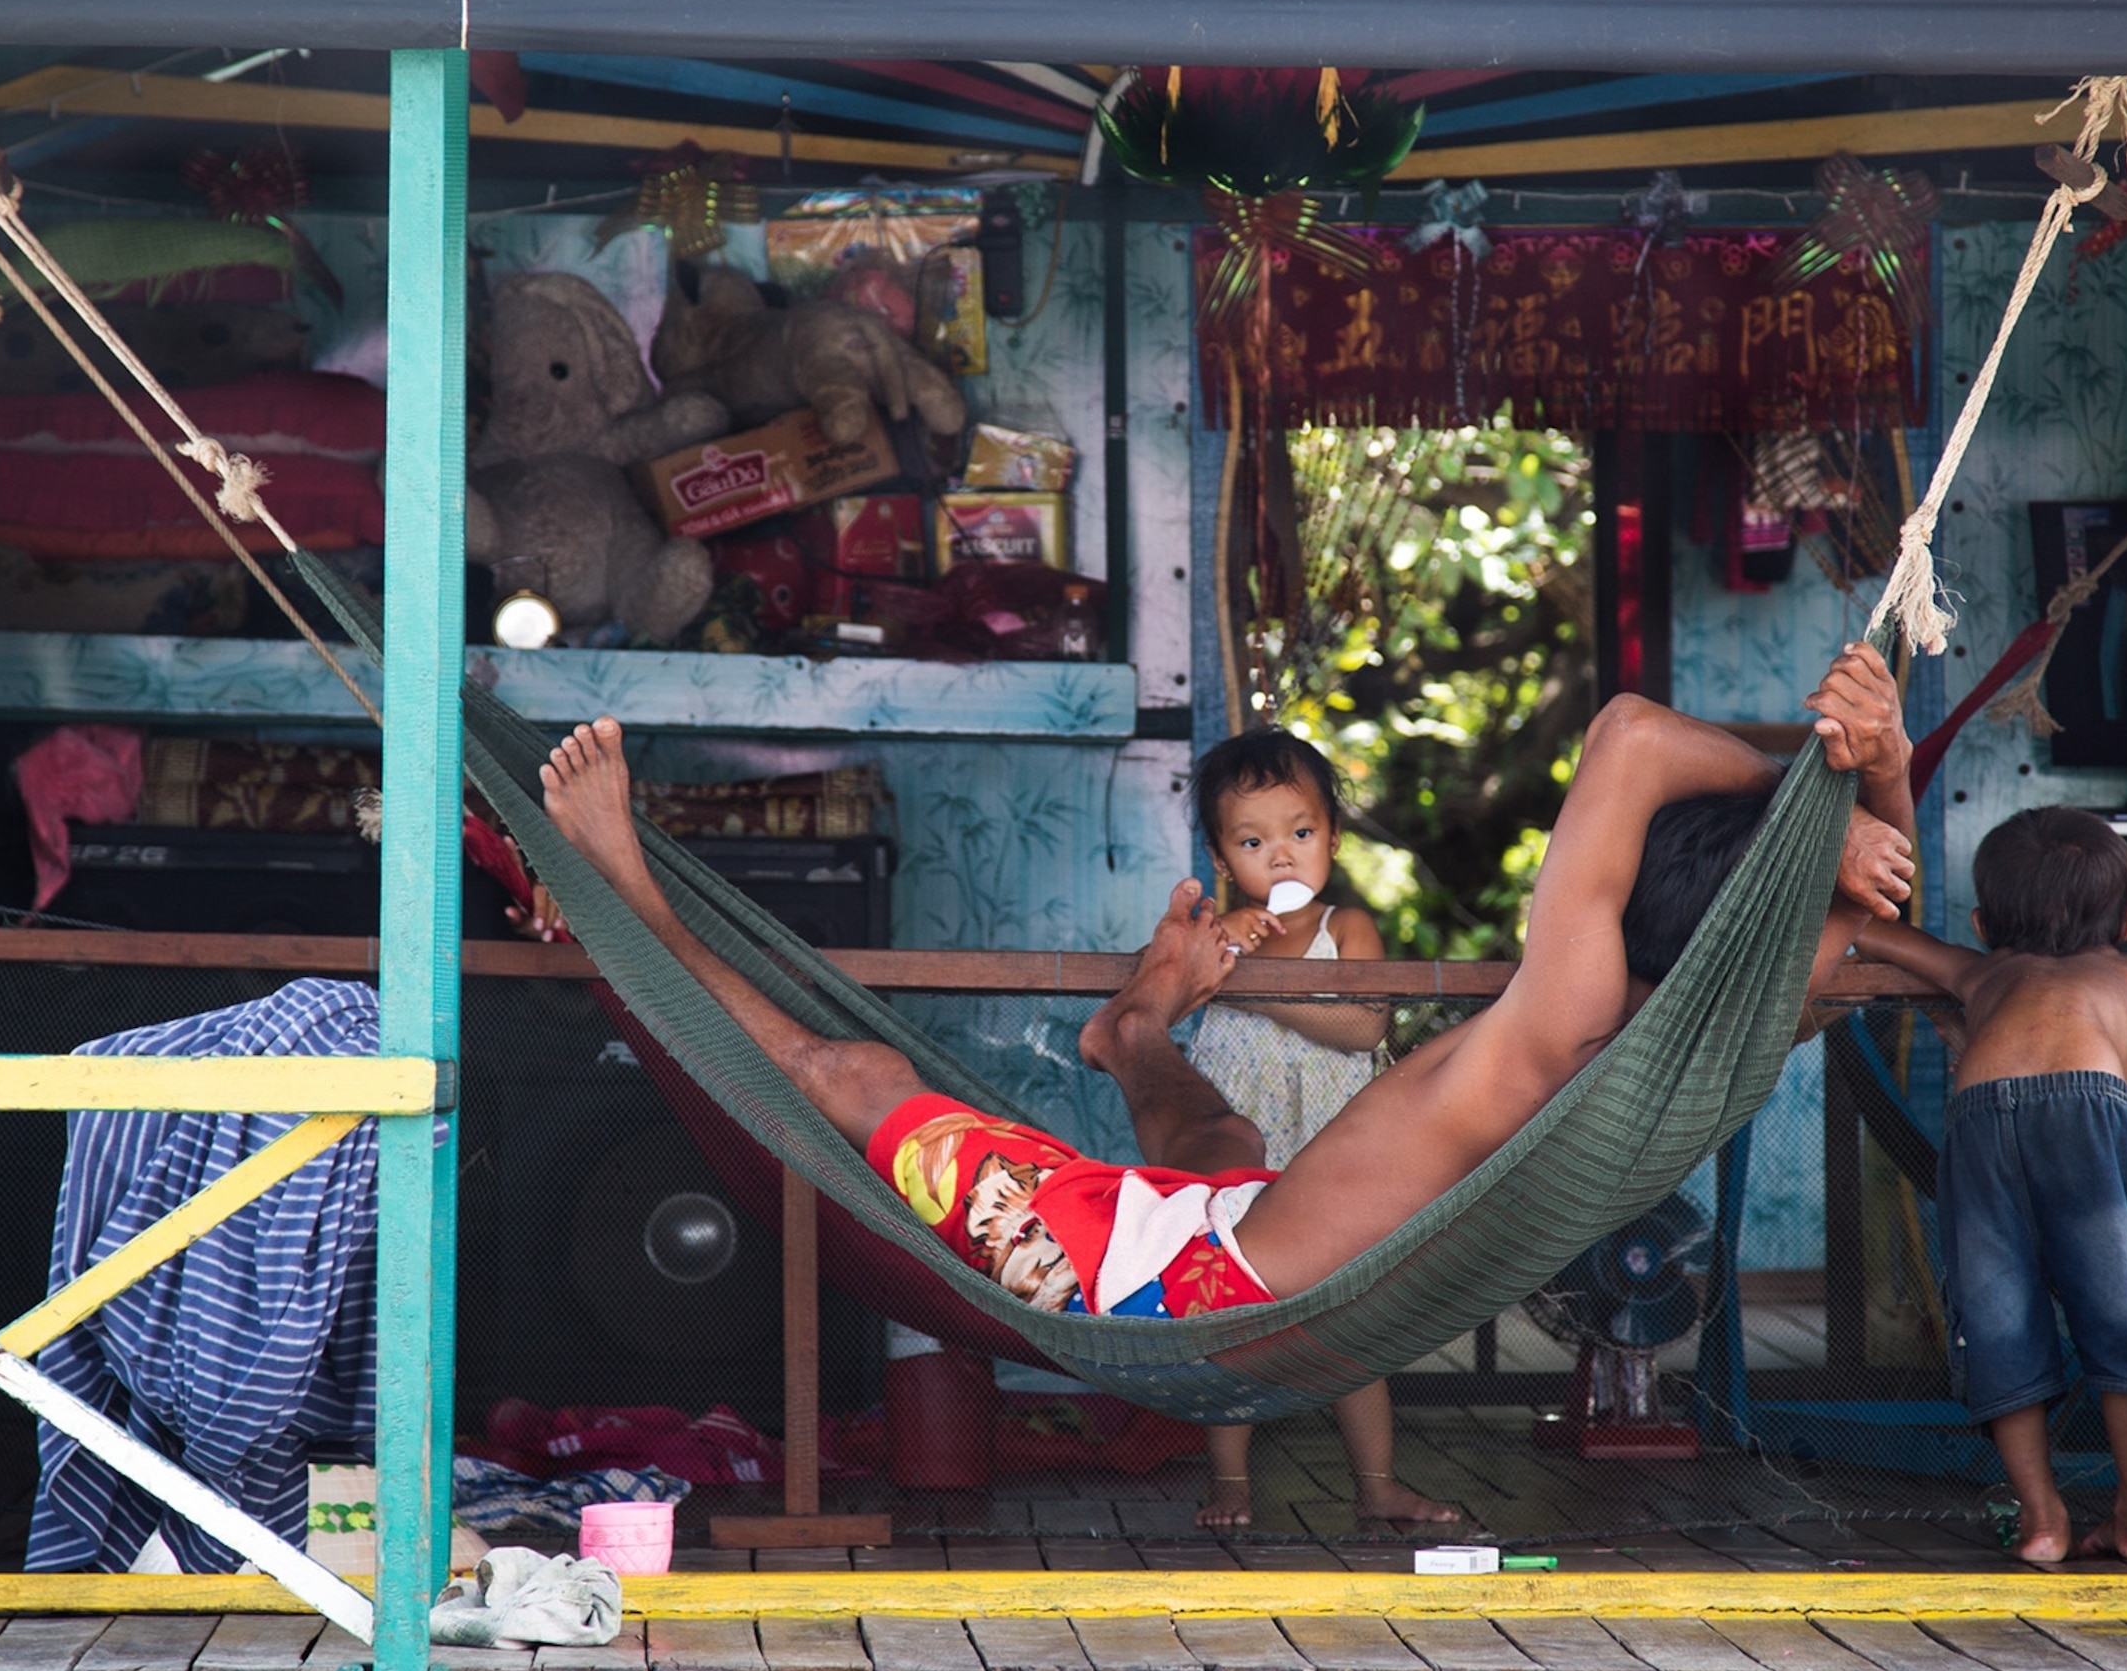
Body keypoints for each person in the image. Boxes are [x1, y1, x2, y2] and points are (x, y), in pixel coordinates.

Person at [527, 642, 1916, 1393]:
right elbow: (1880, 933)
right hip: (1236, 1258)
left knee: (851, 1067)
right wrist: (1870, 784)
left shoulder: (1567, 1019)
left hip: (1183, 1300)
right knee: (1222, 1136)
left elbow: (1626, 734)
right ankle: (1135, 1033)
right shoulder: (1668, 1051)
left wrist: (1823, 798)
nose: (1830, 941)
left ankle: (622, 898)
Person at [1849, 806, 2127, 1564]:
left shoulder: (1979, 971)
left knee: (1998, 1320)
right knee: (2118, 1317)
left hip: (1980, 1123)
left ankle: (2043, 1521)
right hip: (2086, 1115)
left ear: (1980, 919)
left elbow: (1871, 934)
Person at [1178, 727, 1444, 1528]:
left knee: (1347, 1321)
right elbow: (1170, 1006)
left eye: (1300, 834)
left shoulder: (1347, 929)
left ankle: (1377, 1483)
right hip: (1240, 1164)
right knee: (1229, 1316)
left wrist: (1254, 986)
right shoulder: (1214, 938)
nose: (1283, 857)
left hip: (1332, 1160)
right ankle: (1229, 1480)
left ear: (1332, 836)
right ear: (1225, 861)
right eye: (1255, 842)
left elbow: (1364, 1028)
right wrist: (1225, 955)